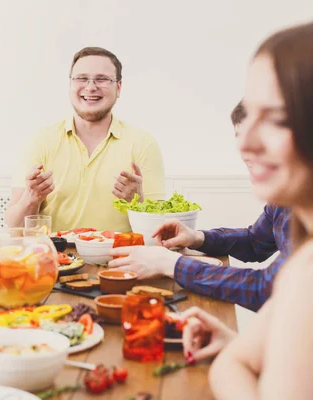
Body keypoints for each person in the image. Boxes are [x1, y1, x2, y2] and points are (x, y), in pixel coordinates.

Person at [182, 22, 313, 398]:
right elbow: (256, 242)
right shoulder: (302, 259)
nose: (247, 146)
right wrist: (248, 351)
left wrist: (237, 364)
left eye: (277, 118)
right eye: (249, 115)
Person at [107, 102, 290, 312]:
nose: (245, 152)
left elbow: (266, 290)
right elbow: (254, 243)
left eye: (259, 138)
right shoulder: (285, 199)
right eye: (240, 138)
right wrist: (197, 238)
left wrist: (172, 264)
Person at [5, 47, 166, 233]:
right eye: (82, 78)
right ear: (70, 85)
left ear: (119, 87)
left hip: (121, 259)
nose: (90, 87)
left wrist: (137, 202)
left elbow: (159, 231)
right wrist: (31, 197)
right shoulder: (41, 141)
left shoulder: (143, 144)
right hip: (56, 259)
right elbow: (14, 227)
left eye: (102, 79)